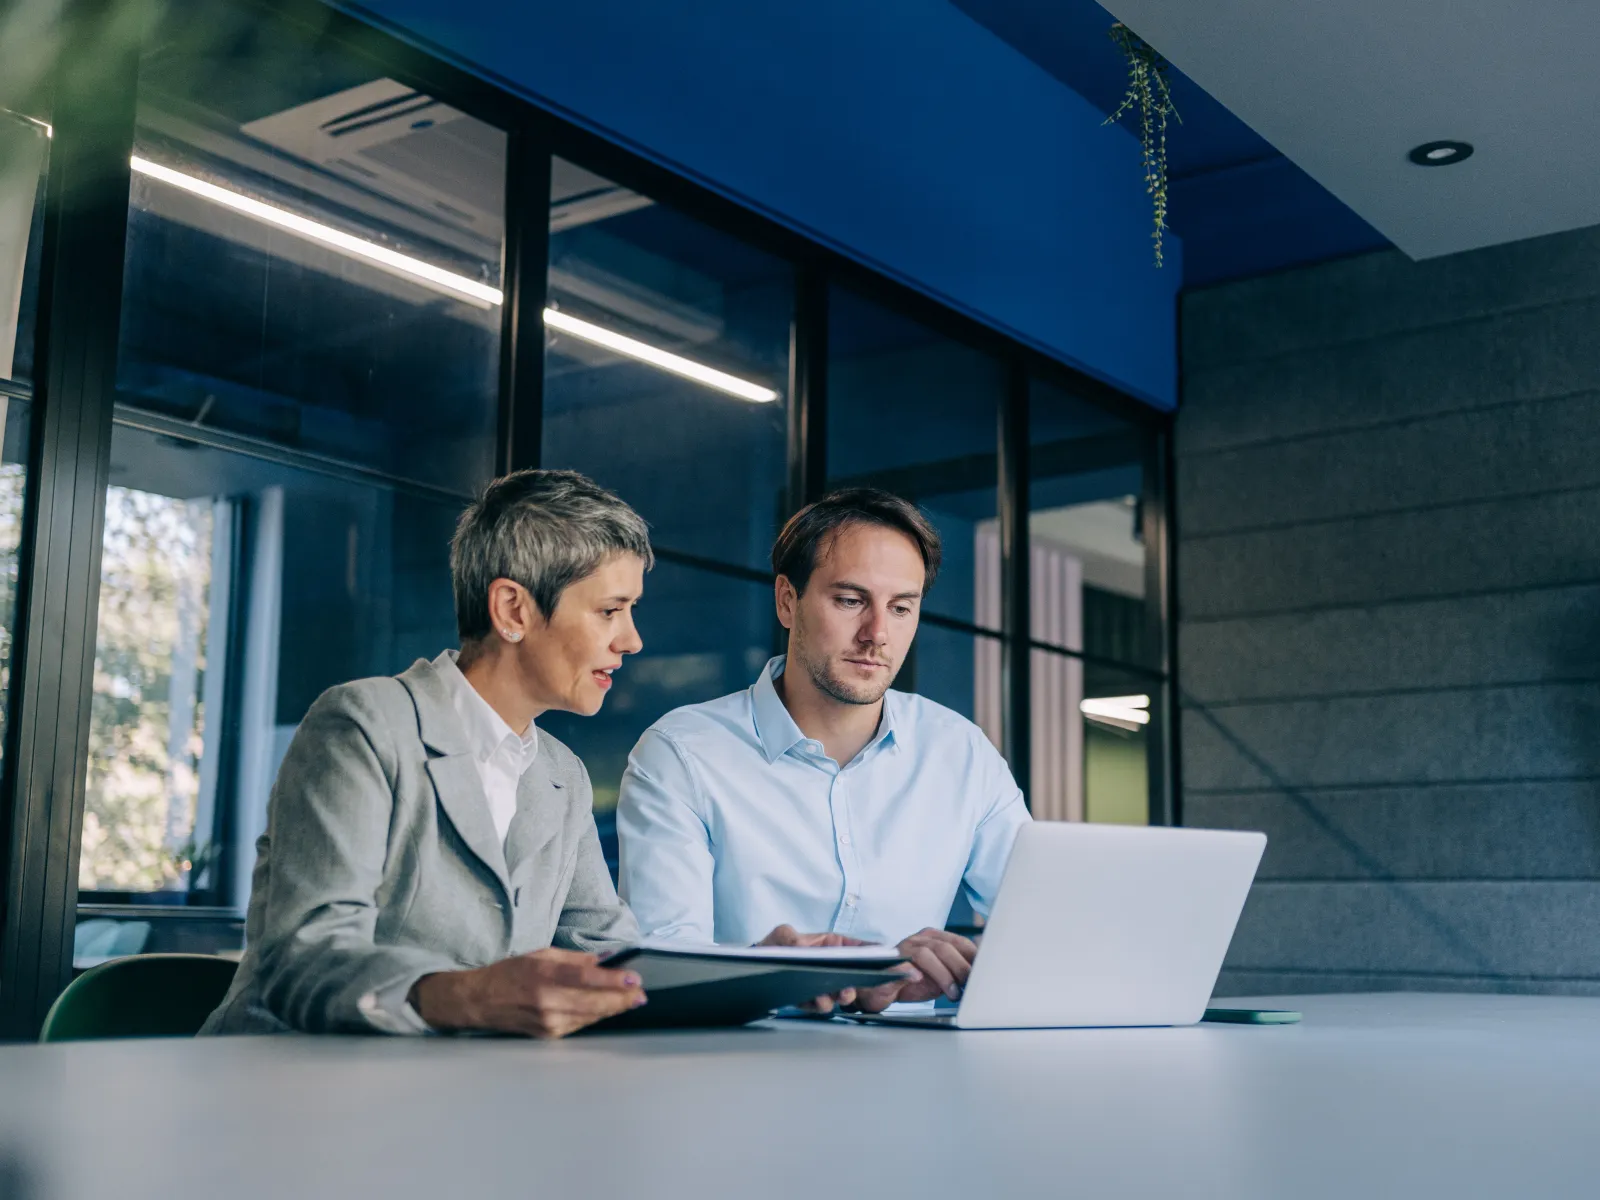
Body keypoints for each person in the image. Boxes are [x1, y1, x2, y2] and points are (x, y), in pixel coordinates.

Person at [203, 469, 659, 1038]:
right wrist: (469, 995)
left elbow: (615, 958)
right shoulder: (363, 726)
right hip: (300, 1094)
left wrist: (753, 972)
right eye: (611, 611)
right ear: (514, 611)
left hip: (468, 1098)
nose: (632, 640)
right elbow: (307, 958)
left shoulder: (562, 774)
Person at [616, 488, 1030, 1012]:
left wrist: (970, 968)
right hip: (736, 1068)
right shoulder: (681, 753)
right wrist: (787, 974)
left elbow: (1048, 927)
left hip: (919, 1076)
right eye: (851, 601)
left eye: (901, 607)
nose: (877, 634)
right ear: (788, 601)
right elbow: (662, 972)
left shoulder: (960, 752)